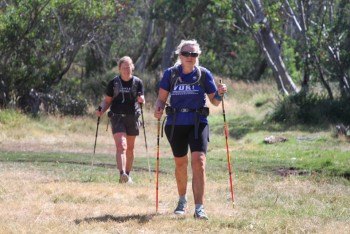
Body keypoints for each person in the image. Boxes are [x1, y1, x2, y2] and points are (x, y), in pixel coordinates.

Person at [154, 39, 227, 220]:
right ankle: (181, 200)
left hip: (198, 122)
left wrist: (220, 92)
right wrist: (158, 109)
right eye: (186, 53)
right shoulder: (170, 74)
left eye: (194, 54)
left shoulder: (203, 74)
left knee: (199, 162)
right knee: (181, 164)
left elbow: (215, 101)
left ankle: (199, 208)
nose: (190, 57)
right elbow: (161, 99)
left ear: (197, 57)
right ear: (180, 55)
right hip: (175, 123)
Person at [96, 56, 145, 184]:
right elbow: (107, 101)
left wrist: (142, 100)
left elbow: (141, 98)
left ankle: (127, 175)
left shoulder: (137, 82)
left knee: (130, 148)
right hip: (117, 117)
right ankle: (122, 173)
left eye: (128, 67)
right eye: (124, 67)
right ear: (119, 69)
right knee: (121, 146)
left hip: (132, 117)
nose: (126, 70)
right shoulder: (114, 83)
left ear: (132, 67)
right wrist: (101, 109)